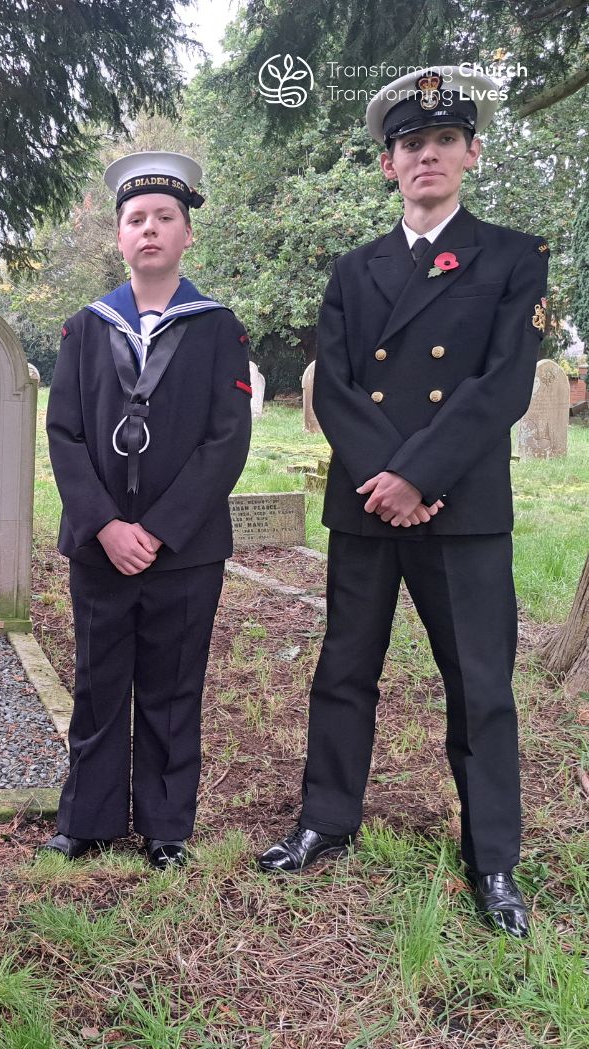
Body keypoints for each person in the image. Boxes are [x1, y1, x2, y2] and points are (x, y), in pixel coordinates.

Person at [257, 67, 550, 938]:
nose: (427, 156)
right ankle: (325, 819)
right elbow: (337, 386)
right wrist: (388, 481)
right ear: (389, 165)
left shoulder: (512, 255)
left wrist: (420, 476)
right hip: (367, 502)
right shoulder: (355, 269)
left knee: (481, 684)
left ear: (471, 153)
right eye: (410, 146)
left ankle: (493, 858)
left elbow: (501, 386)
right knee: (344, 670)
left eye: (443, 142)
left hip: (459, 505)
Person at [43, 152, 252, 869]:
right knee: (98, 682)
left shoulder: (219, 327)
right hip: (100, 545)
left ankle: (166, 827)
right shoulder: (85, 327)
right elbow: (64, 433)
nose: (151, 229)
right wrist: (105, 523)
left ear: (187, 233)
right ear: (120, 238)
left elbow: (227, 439)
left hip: (184, 549)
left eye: (165, 217)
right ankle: (89, 820)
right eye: (137, 219)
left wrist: (158, 530)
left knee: (172, 684)